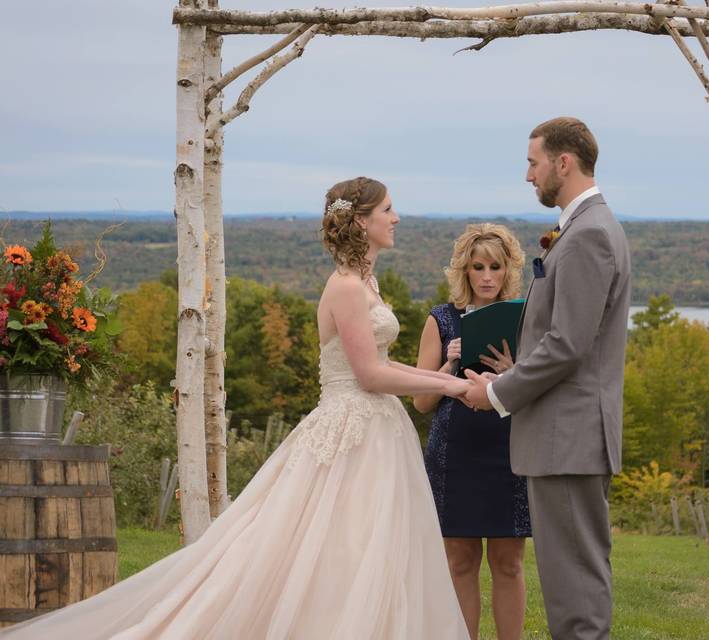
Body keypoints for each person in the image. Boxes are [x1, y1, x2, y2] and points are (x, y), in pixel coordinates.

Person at [0, 177, 471, 639]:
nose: (397, 217)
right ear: (362, 222)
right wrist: (451, 391)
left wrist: (444, 378)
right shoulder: (346, 287)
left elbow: (383, 364)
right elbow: (369, 375)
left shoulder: (366, 282)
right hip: (351, 428)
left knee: (372, 546)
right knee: (338, 547)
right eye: (388, 209)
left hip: (378, 429)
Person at [462, 118, 631, 640]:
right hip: (566, 436)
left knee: (574, 591)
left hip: (569, 437)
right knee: (571, 581)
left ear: (564, 162)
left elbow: (567, 345)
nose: (528, 175)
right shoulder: (585, 229)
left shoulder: (588, 236)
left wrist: (494, 392)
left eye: (533, 162)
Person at [413, 224, 530, 640]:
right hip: (454, 454)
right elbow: (421, 402)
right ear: (463, 270)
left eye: (494, 267)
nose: (486, 276)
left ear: (507, 271)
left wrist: (512, 375)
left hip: (508, 450)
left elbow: (539, 390)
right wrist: (447, 365)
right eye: (477, 267)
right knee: (460, 561)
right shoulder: (441, 319)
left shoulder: (523, 319)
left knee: (508, 561)